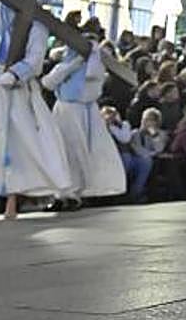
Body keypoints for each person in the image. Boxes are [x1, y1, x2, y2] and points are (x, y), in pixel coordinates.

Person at [0, 2, 71, 220]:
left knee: (16, 147)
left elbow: (35, 60)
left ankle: (12, 202)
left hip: (14, 93)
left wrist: (16, 74)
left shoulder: (34, 30)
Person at [41, 42, 126, 208]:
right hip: (64, 110)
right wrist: (73, 64)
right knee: (61, 151)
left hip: (84, 113)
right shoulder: (64, 66)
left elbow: (92, 82)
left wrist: (91, 57)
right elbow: (48, 82)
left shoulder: (95, 68)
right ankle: (61, 194)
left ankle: (76, 193)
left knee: (80, 152)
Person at [103, 106, 150, 202]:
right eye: (109, 115)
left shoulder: (125, 125)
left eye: (114, 114)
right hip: (111, 160)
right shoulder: (101, 128)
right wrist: (107, 126)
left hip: (128, 156)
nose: (112, 117)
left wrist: (113, 126)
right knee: (125, 158)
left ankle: (136, 192)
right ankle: (119, 194)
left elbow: (125, 139)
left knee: (146, 161)